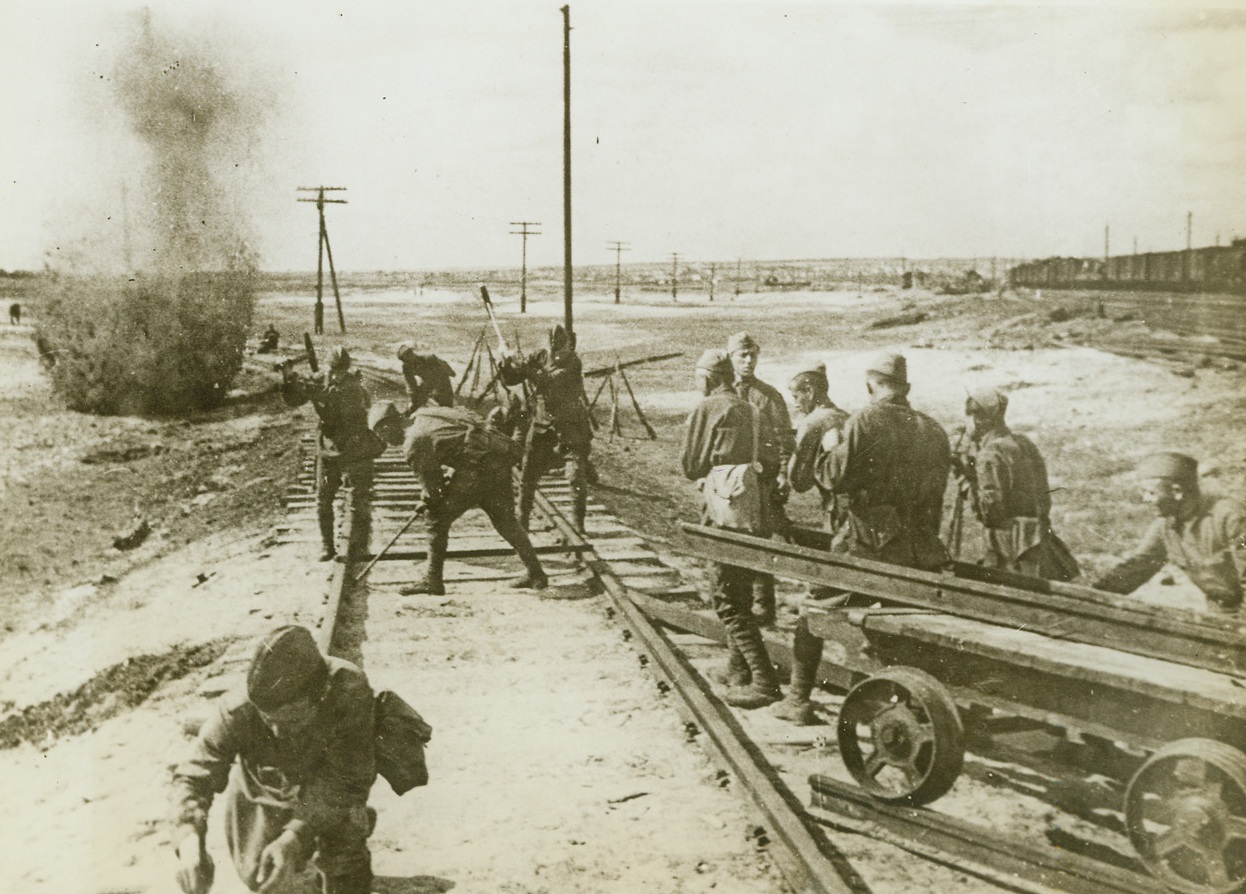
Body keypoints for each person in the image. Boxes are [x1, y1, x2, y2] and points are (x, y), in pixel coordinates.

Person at [775, 352, 951, 725]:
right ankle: (909, 703)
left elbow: (833, 477)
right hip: (921, 548)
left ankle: (796, 700)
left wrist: (828, 451)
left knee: (814, 609)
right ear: (906, 387)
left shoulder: (867, 420)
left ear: (871, 385)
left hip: (866, 544)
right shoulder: (933, 428)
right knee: (901, 623)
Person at [170, 625, 377, 894]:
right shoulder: (236, 710)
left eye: (291, 721)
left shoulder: (348, 692)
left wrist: (295, 835)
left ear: (321, 694)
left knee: (347, 873)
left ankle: (349, 834)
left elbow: (348, 779)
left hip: (329, 782)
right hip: (267, 787)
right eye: (269, 721)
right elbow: (193, 777)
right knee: (263, 877)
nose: (278, 732)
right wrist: (188, 842)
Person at [681, 348, 783, 709]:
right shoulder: (752, 408)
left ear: (708, 377)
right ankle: (738, 671)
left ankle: (765, 681)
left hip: (722, 513)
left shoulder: (707, 408)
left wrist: (715, 472)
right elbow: (771, 461)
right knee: (740, 589)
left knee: (726, 600)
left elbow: (691, 466)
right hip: (752, 512)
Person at [371, 401, 548, 595]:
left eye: (381, 434)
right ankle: (536, 573)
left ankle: (432, 580)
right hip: (497, 463)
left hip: (478, 471)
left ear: (388, 425)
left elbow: (434, 490)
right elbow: (461, 437)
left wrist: (426, 499)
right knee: (505, 520)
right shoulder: (425, 414)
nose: (384, 441)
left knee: (435, 518)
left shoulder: (413, 441)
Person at [1093, 452, 1245, 613]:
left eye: (1151, 493)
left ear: (1177, 491)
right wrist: (1093, 597)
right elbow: (1139, 566)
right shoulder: (1165, 524)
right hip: (1222, 610)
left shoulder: (1231, 517)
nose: (1145, 499)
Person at [961, 386, 1079, 580]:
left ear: (978, 419)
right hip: (1039, 542)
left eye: (968, 416)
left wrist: (965, 482)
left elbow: (990, 514)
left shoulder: (989, 455)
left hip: (1010, 552)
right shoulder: (1023, 443)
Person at [282, 346, 381, 562]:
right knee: (323, 498)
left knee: (357, 496)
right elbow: (295, 400)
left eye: (342, 370)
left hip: (353, 446)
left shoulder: (354, 387)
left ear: (348, 368)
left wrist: (310, 388)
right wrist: (289, 379)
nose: (338, 374)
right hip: (328, 448)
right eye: (335, 370)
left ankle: (356, 545)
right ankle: (327, 546)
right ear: (329, 367)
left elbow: (337, 404)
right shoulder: (321, 380)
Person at [727, 332, 795, 627]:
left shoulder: (769, 396)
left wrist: (782, 473)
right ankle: (733, 605)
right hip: (729, 482)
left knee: (761, 541)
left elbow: (784, 439)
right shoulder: (722, 393)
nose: (747, 360)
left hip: (761, 481)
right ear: (730, 358)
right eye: (741, 355)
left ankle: (764, 609)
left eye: (752, 355)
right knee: (727, 538)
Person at [498, 325, 593, 534]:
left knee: (576, 476)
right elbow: (513, 378)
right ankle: (522, 523)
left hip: (570, 426)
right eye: (553, 350)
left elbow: (550, 381)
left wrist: (526, 368)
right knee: (527, 474)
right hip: (542, 424)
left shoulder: (573, 363)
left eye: (561, 349)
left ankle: (579, 524)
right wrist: (506, 362)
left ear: (569, 345)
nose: (556, 354)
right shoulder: (540, 355)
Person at [786, 361, 849, 528]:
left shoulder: (812, 422)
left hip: (835, 507)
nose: (796, 404)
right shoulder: (846, 417)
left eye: (796, 397)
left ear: (810, 391)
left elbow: (798, 482)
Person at [396, 342, 456, 413]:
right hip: (429, 377)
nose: (412, 355)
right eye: (407, 356)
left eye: (411, 353)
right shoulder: (406, 367)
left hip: (441, 373)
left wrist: (417, 402)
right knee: (416, 401)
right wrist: (412, 399)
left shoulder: (428, 359)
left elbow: (429, 383)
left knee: (444, 402)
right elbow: (410, 384)